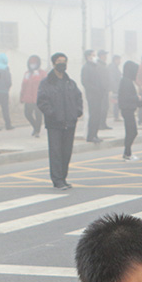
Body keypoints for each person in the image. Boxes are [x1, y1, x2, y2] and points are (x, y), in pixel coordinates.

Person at [36, 52, 83, 191]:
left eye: (64, 61)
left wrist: (77, 112)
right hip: (54, 123)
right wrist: (52, 114)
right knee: (56, 152)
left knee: (66, 152)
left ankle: (63, 177)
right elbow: (42, 101)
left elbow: (78, 97)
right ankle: (57, 180)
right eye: (59, 61)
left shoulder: (70, 82)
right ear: (54, 63)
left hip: (70, 122)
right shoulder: (46, 83)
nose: (62, 63)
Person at [82, 49, 109, 142]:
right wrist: (96, 90)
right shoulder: (86, 67)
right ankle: (91, 136)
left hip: (99, 95)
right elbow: (85, 82)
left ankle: (95, 135)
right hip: (92, 96)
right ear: (88, 57)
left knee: (97, 116)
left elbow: (100, 80)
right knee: (93, 116)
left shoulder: (95, 67)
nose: (94, 57)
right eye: (93, 55)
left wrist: (102, 89)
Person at [118, 60, 142, 161]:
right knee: (132, 132)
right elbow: (127, 96)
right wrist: (137, 98)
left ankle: (127, 152)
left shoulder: (126, 80)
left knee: (131, 131)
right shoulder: (126, 81)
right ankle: (127, 153)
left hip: (128, 109)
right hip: (127, 109)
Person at [20, 54, 45, 137]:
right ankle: (35, 127)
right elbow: (23, 86)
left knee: (38, 115)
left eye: (34, 63)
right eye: (31, 63)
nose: (32, 65)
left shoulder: (42, 73)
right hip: (28, 98)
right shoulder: (27, 73)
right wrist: (22, 96)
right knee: (27, 114)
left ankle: (37, 131)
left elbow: (45, 85)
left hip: (38, 98)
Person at [0, 52, 12, 131]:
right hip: (4, 92)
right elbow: (8, 81)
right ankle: (8, 125)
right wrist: (7, 88)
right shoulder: (6, 68)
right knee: (5, 109)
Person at [108, 53, 122, 124]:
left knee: (117, 102)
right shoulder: (113, 68)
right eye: (118, 60)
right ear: (115, 60)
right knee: (116, 102)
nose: (120, 61)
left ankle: (117, 116)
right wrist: (115, 88)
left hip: (117, 87)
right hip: (115, 88)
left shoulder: (115, 67)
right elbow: (112, 79)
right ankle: (116, 116)